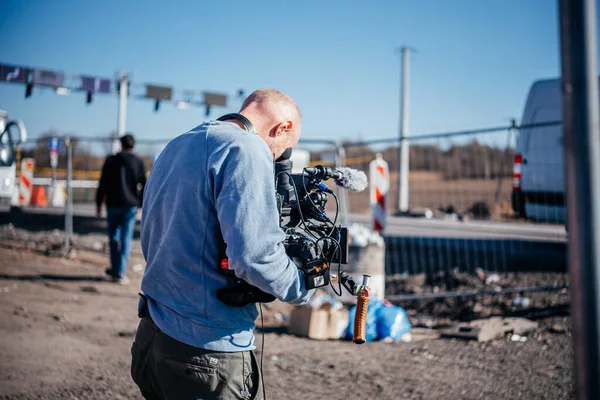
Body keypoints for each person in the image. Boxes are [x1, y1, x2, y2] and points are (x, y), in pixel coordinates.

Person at [131, 89, 313, 399]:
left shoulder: (178, 144)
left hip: (152, 336)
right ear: (282, 127)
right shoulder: (246, 148)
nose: (278, 159)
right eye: (284, 150)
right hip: (206, 351)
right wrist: (301, 287)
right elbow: (254, 257)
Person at [96, 134, 146, 285]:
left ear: (121, 144)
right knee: (125, 239)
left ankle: (116, 268)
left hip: (112, 204)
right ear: (133, 145)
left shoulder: (111, 160)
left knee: (113, 238)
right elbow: (144, 184)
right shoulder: (138, 162)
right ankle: (121, 272)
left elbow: (102, 183)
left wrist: (98, 204)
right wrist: (141, 204)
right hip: (130, 205)